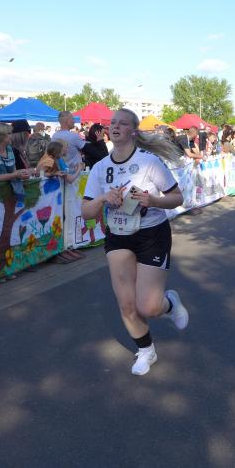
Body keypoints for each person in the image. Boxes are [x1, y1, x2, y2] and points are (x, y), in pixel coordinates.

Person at [81, 108, 187, 376]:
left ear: (133, 131)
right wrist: (104, 198)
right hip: (118, 236)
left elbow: (177, 198)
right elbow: (87, 212)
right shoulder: (100, 168)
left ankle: (169, 303)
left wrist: (153, 200)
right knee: (127, 304)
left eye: (122, 123)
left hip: (152, 234)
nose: (115, 126)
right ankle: (146, 350)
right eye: (112, 123)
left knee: (149, 306)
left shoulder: (149, 162)